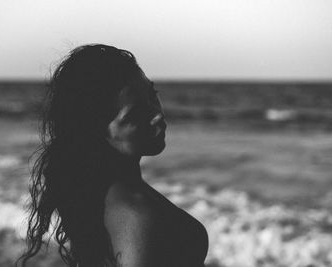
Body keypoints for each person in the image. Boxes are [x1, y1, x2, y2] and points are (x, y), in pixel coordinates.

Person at [17, 44, 208, 267]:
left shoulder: (102, 193)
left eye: (153, 95)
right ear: (96, 132)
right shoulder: (135, 217)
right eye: (136, 114)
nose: (157, 114)